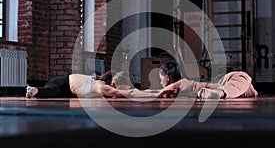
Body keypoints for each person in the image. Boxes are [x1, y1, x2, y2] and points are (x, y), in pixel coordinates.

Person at [158, 60, 258, 99]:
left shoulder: (181, 85)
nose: (160, 82)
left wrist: (157, 94)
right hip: (232, 89)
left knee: (242, 77)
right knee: (243, 80)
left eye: (160, 79)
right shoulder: (173, 92)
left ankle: (221, 92)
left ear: (168, 78)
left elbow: (176, 85)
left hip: (225, 83)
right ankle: (221, 93)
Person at [26, 70, 163, 99]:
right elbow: (129, 93)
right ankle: (33, 90)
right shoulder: (101, 87)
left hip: (70, 91)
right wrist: (157, 94)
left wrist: (157, 91)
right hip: (62, 84)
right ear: (114, 84)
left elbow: (133, 90)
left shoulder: (104, 86)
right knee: (52, 92)